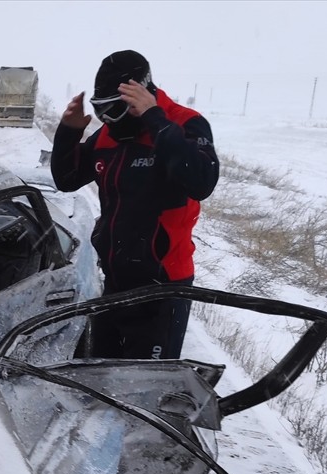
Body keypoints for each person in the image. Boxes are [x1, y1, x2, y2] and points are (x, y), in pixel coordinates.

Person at [51, 50, 219, 360]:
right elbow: (67, 179)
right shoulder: (108, 137)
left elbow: (201, 182)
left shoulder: (185, 124)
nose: (109, 121)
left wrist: (154, 119)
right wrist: (69, 132)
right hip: (116, 280)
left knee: (141, 391)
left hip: (163, 287)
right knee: (88, 373)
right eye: (101, 111)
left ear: (142, 93)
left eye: (116, 109)